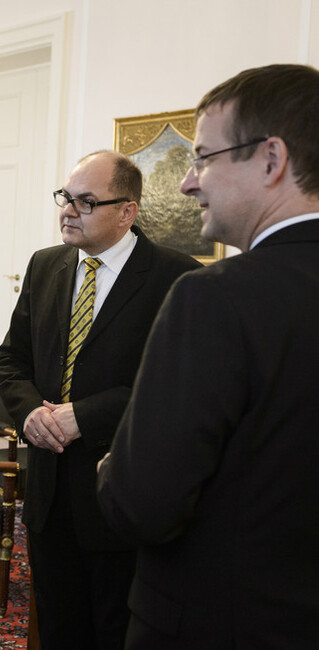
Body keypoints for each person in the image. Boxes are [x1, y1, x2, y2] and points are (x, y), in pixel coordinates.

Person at [97, 64, 319, 648]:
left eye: (203, 158)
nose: (189, 183)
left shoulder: (214, 294)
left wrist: (111, 471)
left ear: (271, 159)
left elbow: (143, 504)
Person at [0, 151, 200, 649]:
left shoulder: (179, 277)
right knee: (60, 627)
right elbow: (11, 362)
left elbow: (174, 387)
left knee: (116, 632)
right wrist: (30, 417)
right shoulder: (45, 265)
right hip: (48, 489)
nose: (68, 210)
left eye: (86, 202)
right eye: (66, 197)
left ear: (126, 211)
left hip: (120, 492)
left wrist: (83, 416)